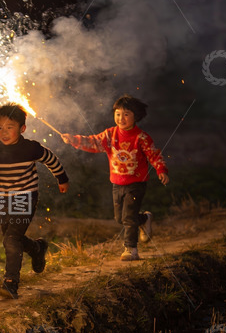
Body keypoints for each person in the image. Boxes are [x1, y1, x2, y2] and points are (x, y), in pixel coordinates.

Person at [0, 103, 69, 299]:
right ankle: (37, 248)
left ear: (22, 128)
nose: (4, 132)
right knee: (10, 238)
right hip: (3, 200)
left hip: (26, 197)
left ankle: (10, 283)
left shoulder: (30, 148)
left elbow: (51, 159)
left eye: (10, 127)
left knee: (11, 239)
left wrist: (62, 178)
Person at [61, 95, 169, 261]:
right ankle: (144, 218)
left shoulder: (141, 137)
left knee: (128, 217)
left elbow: (154, 154)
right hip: (117, 184)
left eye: (126, 114)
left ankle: (131, 249)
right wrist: (74, 140)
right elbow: (93, 143)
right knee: (120, 218)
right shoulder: (110, 135)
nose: (121, 118)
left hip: (137, 183)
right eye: (118, 114)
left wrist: (161, 169)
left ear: (136, 116)